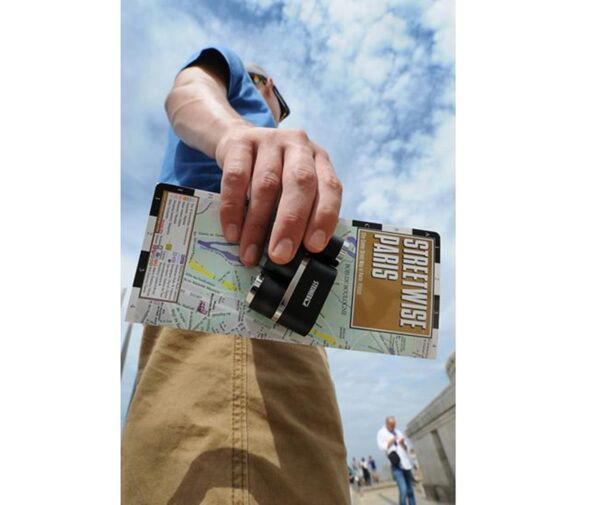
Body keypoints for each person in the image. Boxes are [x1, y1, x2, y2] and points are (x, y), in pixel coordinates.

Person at [121, 45, 348, 505]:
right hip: (233, 303)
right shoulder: (238, 80)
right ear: (266, 87)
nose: (277, 118)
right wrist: (235, 134)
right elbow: (187, 92)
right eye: (279, 106)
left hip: (234, 303)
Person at [377, 416, 417, 505]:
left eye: (394, 425)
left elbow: (406, 447)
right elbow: (381, 447)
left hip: (405, 463)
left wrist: (403, 443)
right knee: (403, 490)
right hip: (396, 465)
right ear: (387, 424)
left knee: (410, 489)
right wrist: (392, 440)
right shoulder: (381, 433)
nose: (393, 427)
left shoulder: (398, 432)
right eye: (391, 425)